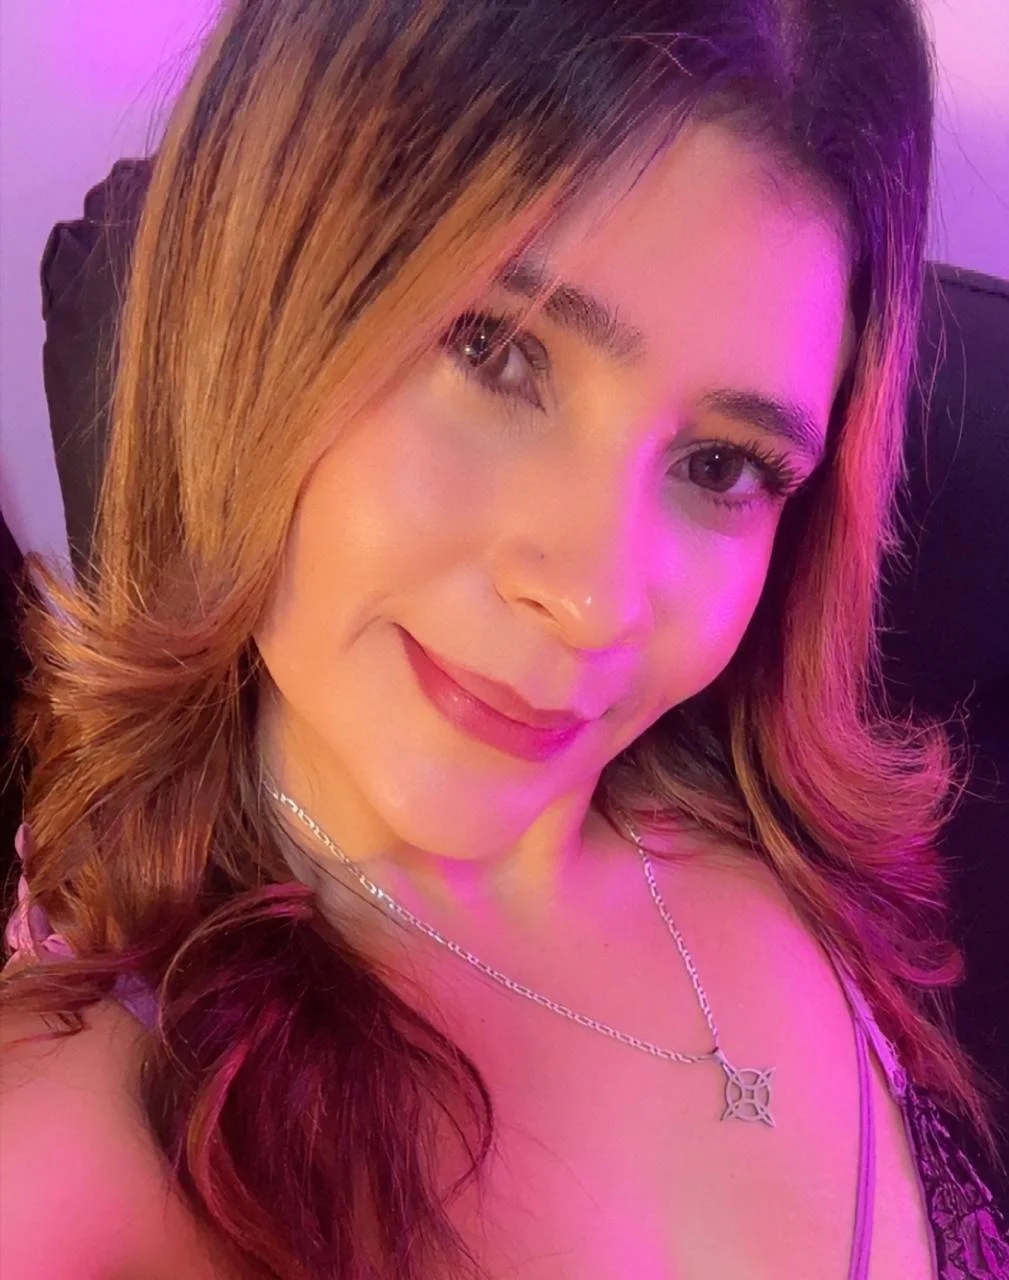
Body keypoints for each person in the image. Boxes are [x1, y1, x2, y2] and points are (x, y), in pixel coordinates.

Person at [2, 0, 1007, 1276]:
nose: (596, 600)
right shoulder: (92, 1149)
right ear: (248, 306)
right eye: (496, 352)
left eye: (721, 464)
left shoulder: (776, 814)